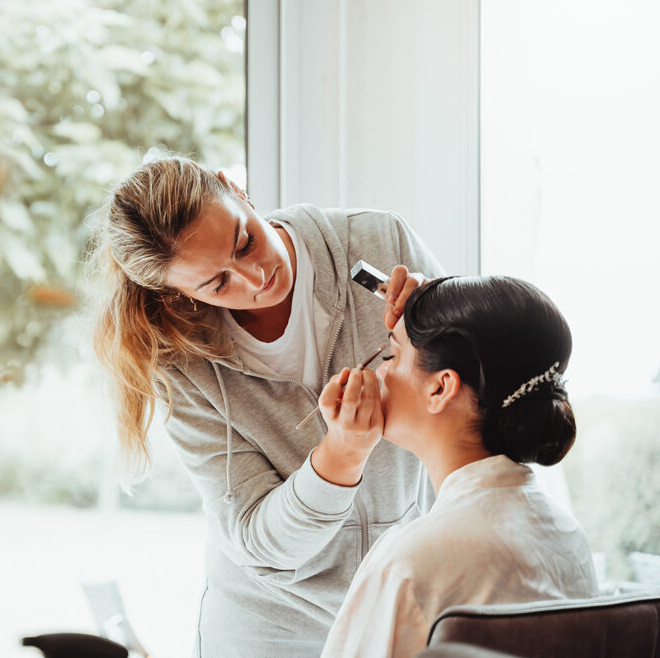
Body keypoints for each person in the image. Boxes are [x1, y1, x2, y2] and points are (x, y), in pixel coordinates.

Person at [90, 156, 444, 656]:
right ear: (177, 296)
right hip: (268, 626)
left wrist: (444, 336)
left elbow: (472, 397)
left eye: (244, 240)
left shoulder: (379, 241)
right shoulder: (183, 365)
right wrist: (341, 456)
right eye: (217, 284)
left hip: (402, 598)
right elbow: (259, 542)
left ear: (234, 189)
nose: (256, 277)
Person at [320, 276, 599, 658]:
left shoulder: (409, 562)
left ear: (441, 388)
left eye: (391, 355)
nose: (380, 373)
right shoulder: (568, 536)